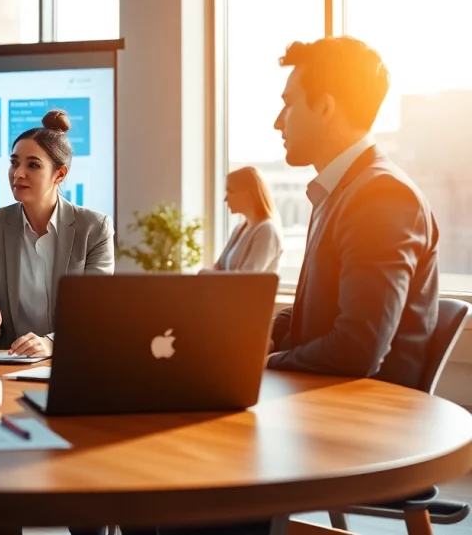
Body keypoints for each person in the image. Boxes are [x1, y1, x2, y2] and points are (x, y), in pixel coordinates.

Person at [127, 36, 440, 535]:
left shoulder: (381, 197)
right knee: (152, 457)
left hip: (359, 424)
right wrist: (263, 330)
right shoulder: (341, 193)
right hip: (322, 402)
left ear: (327, 106)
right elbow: (319, 312)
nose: (278, 121)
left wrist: (261, 360)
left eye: (288, 104)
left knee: (175, 470)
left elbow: (358, 347)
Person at [0, 109, 115, 358]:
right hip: (6, 362)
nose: (18, 173)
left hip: (72, 361)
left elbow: (95, 315)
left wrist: (52, 343)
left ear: (59, 174)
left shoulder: (94, 228)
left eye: (33, 165)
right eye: (14, 162)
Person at [211, 166, 282, 273]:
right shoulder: (238, 229)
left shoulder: (267, 231)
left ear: (249, 193)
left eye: (230, 191)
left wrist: (207, 275)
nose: (225, 199)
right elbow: (218, 267)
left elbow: (247, 279)